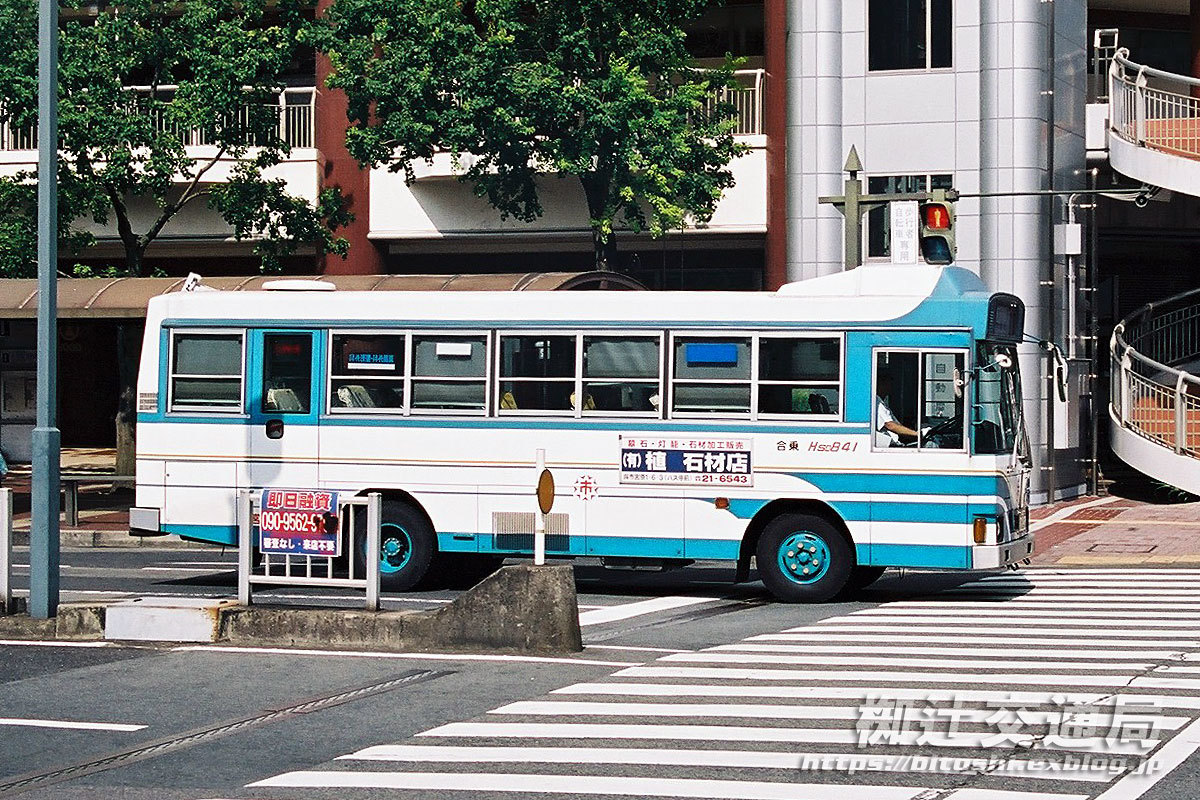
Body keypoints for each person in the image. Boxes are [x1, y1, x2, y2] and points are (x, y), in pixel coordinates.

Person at [875, 373, 920, 448]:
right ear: (881, 385)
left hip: (897, 441)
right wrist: (916, 434)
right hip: (890, 444)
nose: (891, 388)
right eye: (888, 384)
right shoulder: (877, 401)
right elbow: (890, 425)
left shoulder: (883, 402)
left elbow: (898, 426)